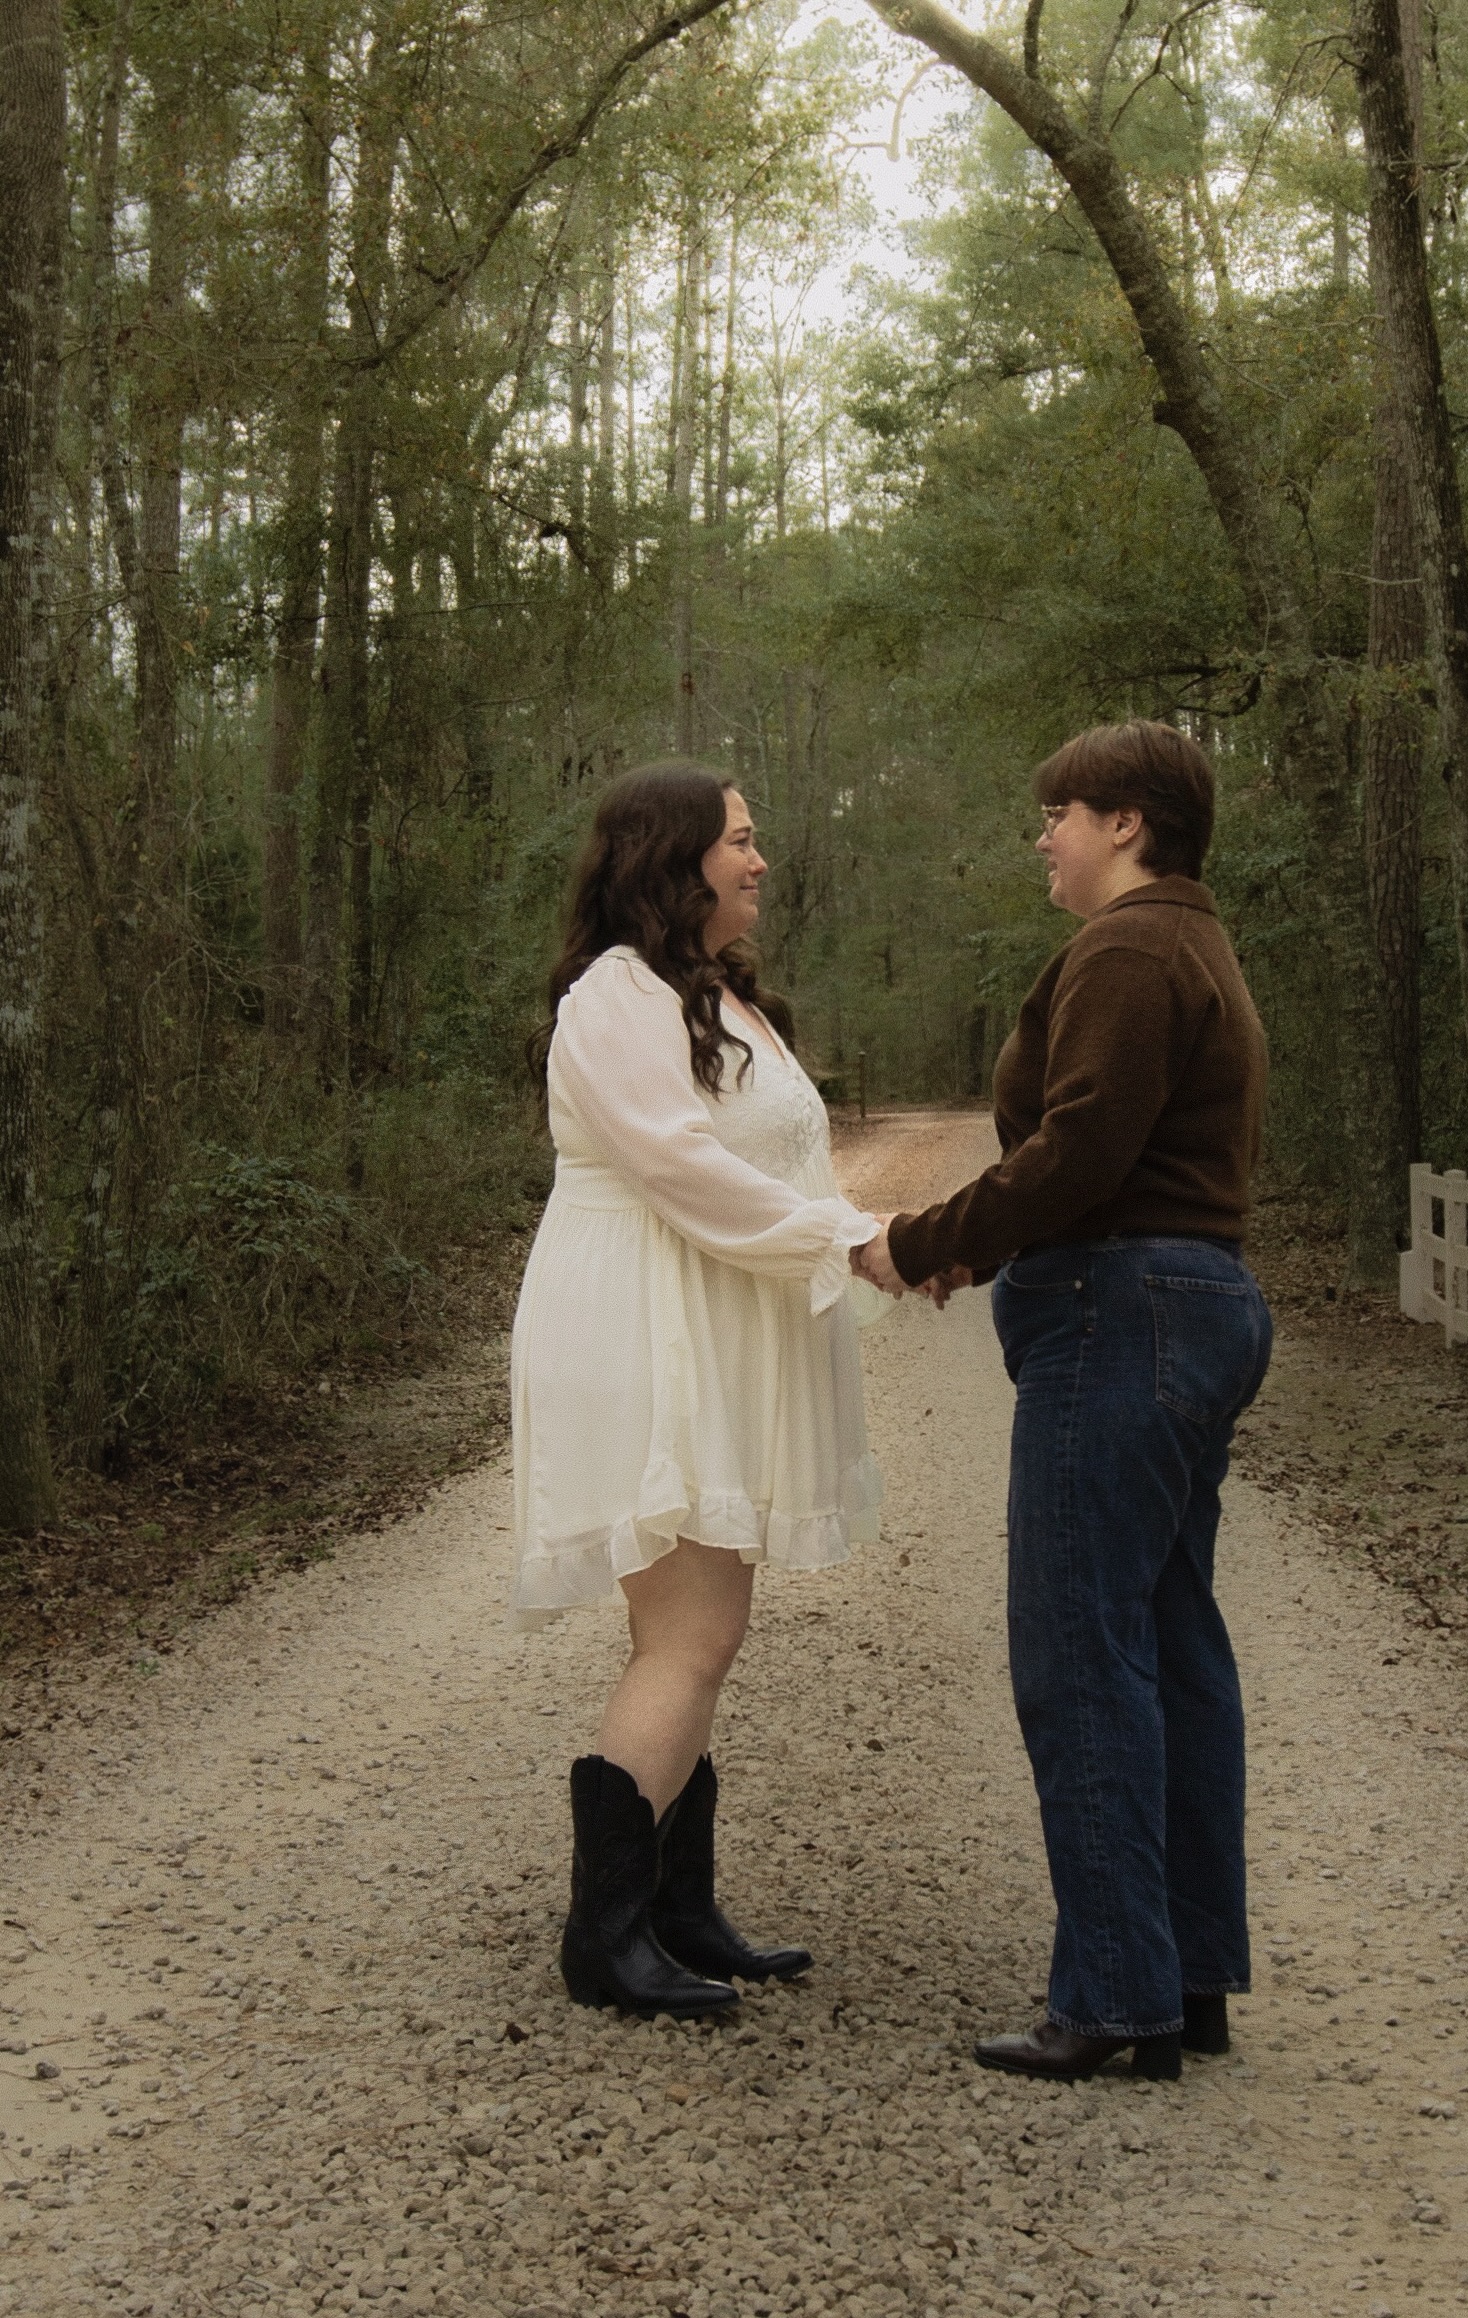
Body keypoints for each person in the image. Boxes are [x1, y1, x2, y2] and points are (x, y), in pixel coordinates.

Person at [854, 720, 1271, 2083]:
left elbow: (1083, 1143)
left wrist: (922, 1238)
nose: (1045, 835)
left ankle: (1112, 1992)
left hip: (1122, 1310)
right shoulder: (1191, 944)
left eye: (1063, 813)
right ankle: (1183, 1971)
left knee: (1081, 1649)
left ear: (1129, 824)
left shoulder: (1134, 947)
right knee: (1169, 1640)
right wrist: (992, 1235)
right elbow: (1108, 1149)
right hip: (1180, 1300)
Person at [512, 762, 885, 2020]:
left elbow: (772, 1148)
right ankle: (603, 1932)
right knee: (694, 1632)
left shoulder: (716, 994)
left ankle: (676, 1906)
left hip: (707, 1312)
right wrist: (849, 1239)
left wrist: (841, 1228)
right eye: (740, 837)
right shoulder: (613, 996)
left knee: (687, 1632)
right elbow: (678, 1162)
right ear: (672, 860)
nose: (761, 857)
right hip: (644, 1320)